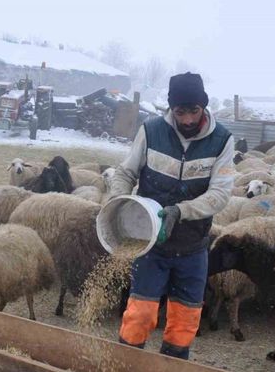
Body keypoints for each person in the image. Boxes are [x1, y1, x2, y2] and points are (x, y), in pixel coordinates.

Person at [110, 72, 234, 360]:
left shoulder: (222, 140)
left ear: (203, 106)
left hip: (192, 247)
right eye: (181, 111)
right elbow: (126, 172)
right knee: (140, 314)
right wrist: (118, 200)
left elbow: (220, 194)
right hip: (150, 243)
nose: (188, 119)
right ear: (171, 108)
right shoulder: (151, 131)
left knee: (185, 320)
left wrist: (182, 211)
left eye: (194, 111)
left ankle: (173, 365)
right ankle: (127, 365)